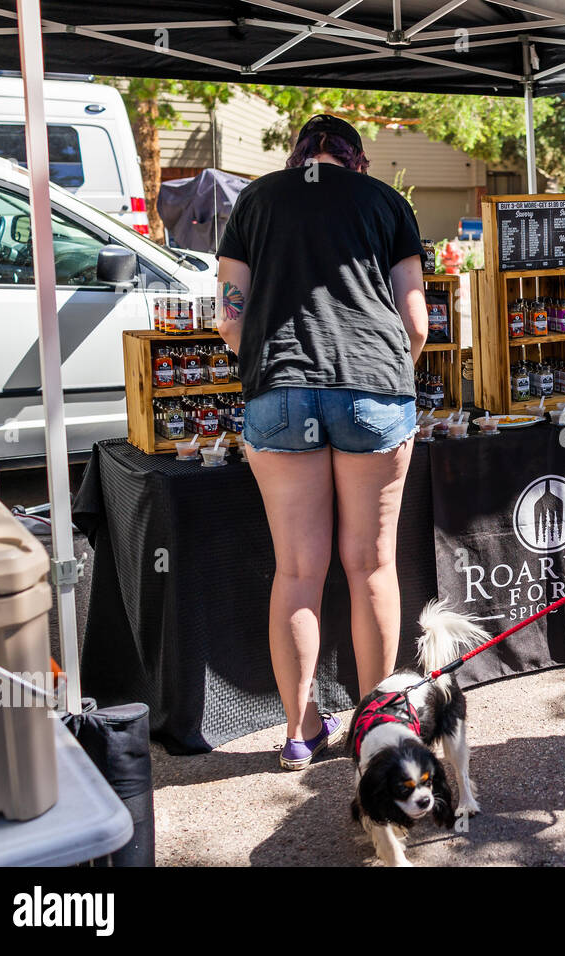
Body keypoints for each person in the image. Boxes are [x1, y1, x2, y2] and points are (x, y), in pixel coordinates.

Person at [215, 114, 429, 769]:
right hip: (372, 386)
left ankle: (302, 732)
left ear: (297, 157)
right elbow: (415, 321)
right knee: (371, 566)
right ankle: (376, 723)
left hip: (279, 388)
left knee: (299, 571)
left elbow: (229, 317)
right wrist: (388, 372)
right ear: (356, 161)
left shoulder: (255, 199)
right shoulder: (386, 202)